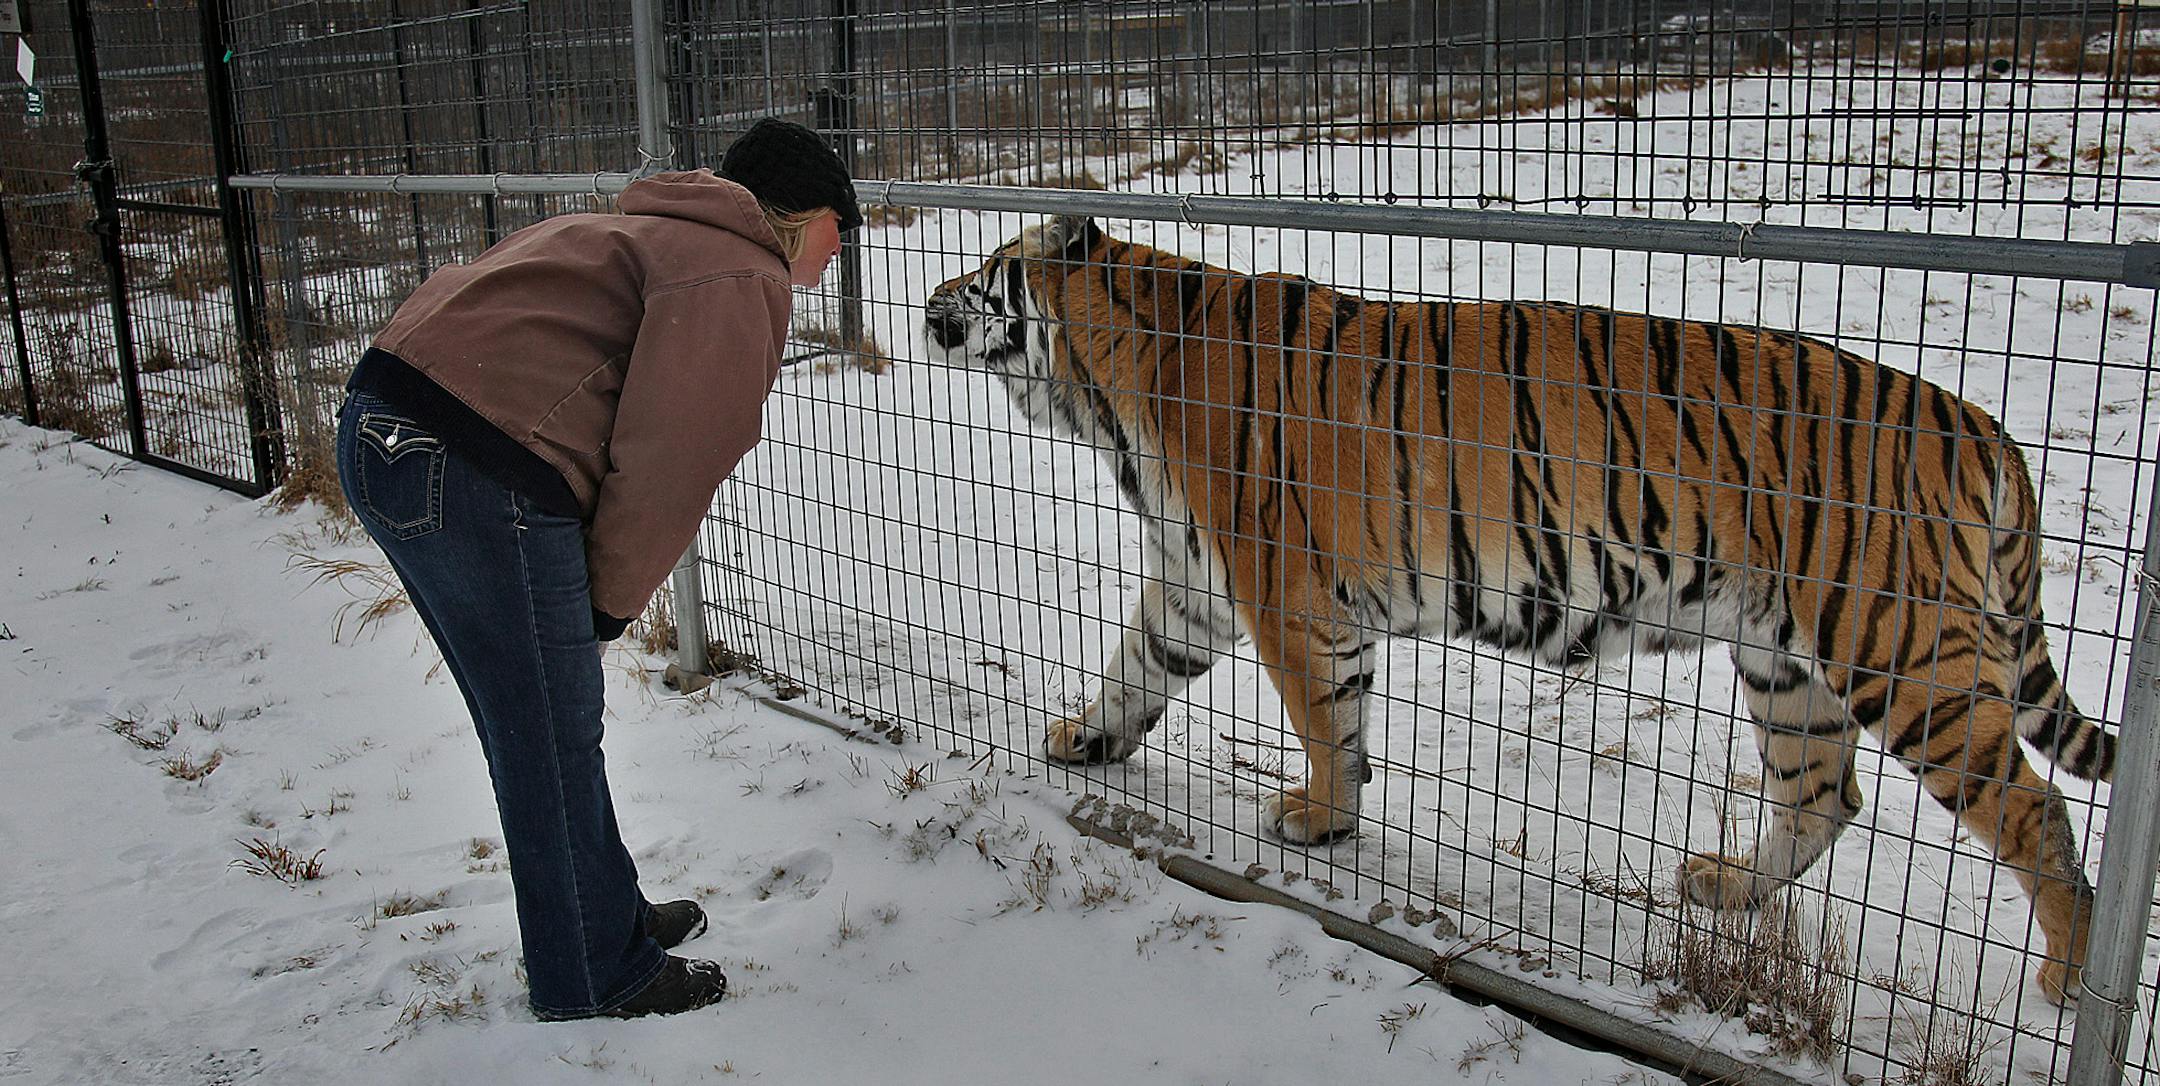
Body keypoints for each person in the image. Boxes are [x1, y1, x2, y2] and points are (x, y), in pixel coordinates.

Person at [333, 118, 860, 1020]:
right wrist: (609, 607)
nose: (842, 247)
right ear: (799, 216)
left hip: (383, 435)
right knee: (549, 730)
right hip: (478, 467)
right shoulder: (740, 273)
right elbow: (671, 457)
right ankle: (592, 972)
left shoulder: (641, 229)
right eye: (838, 226)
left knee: (537, 722)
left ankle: (603, 913)